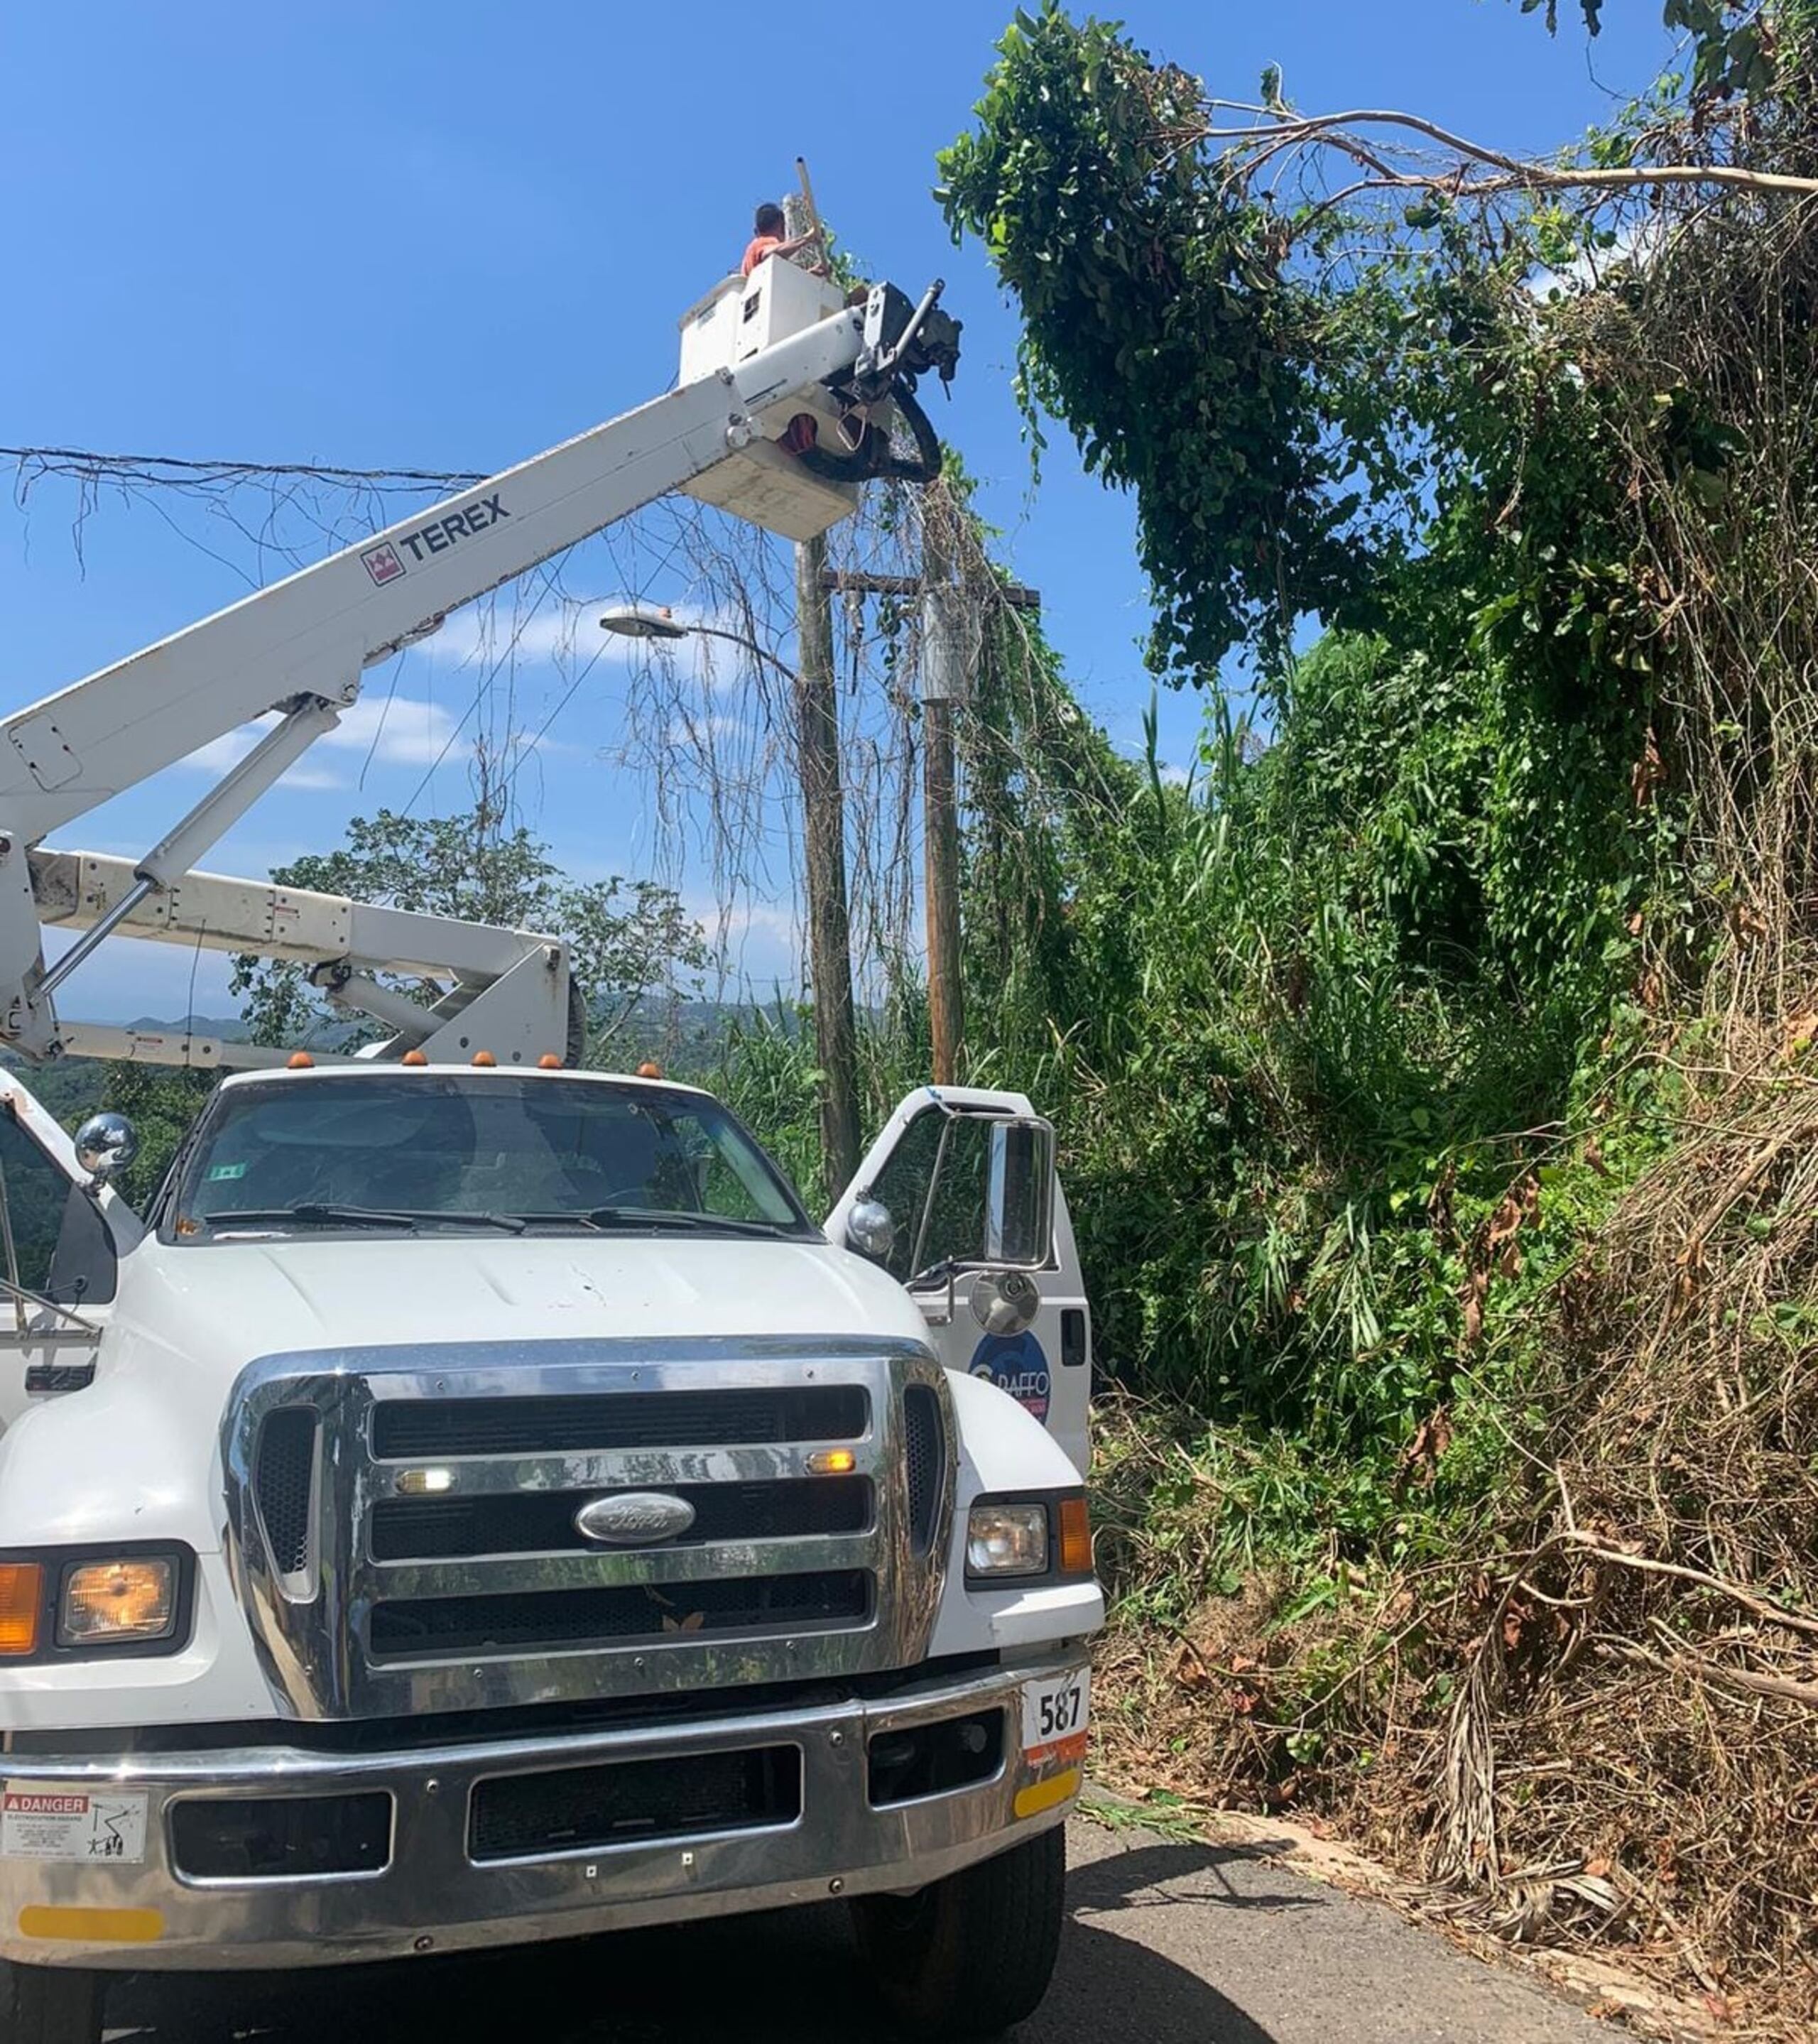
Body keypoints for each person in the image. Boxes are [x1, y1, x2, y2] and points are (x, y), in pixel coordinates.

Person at [741, 202, 816, 278]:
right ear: (781, 226)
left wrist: (811, 274)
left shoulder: (751, 253)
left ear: (756, 231)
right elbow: (769, 253)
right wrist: (808, 238)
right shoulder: (766, 241)